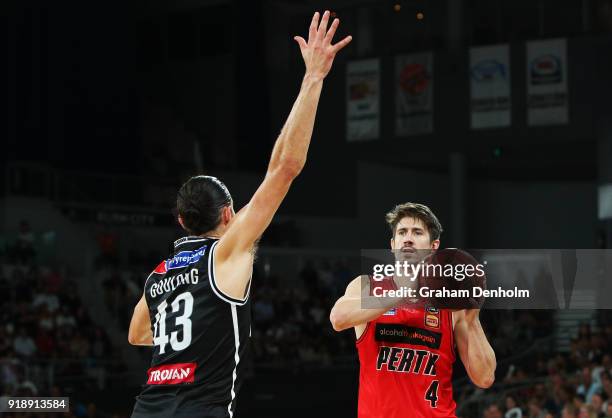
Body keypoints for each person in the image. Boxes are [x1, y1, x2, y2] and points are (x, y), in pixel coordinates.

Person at [127, 11, 352, 418]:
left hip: (147, 409)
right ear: (229, 215)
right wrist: (312, 78)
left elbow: (138, 333)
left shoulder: (158, 276)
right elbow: (284, 169)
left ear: (181, 221)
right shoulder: (227, 251)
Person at [330, 202, 496, 418]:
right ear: (393, 243)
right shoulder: (367, 285)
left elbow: (484, 377)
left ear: (434, 245)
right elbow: (338, 319)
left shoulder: (450, 304)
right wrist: (402, 292)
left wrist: (473, 316)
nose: (408, 238)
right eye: (402, 232)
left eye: (417, 232)